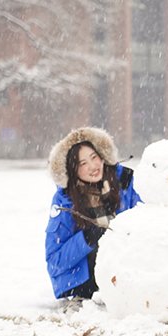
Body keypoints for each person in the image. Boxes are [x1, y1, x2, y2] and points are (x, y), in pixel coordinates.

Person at [45, 127, 141, 299]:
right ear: (72, 170)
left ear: (102, 156)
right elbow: (54, 262)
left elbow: (147, 222)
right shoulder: (64, 201)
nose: (92, 167)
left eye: (94, 157)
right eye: (82, 164)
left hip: (126, 270)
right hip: (81, 283)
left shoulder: (125, 182)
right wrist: (87, 238)